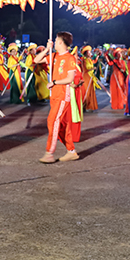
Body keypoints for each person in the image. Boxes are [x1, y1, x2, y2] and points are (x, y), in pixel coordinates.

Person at [34, 32, 79, 163]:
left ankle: (49, 153)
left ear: (60, 42)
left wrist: (54, 82)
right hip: (54, 95)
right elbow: (36, 61)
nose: (54, 41)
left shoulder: (70, 58)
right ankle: (71, 151)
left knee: (52, 121)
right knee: (61, 125)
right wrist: (47, 49)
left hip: (62, 95)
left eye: (55, 40)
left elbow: (70, 78)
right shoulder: (53, 56)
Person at [81, 46, 100, 112]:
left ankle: (90, 106)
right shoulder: (84, 60)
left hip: (90, 77)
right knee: (87, 91)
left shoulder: (90, 60)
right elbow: (84, 70)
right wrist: (92, 69)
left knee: (91, 91)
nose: (90, 53)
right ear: (86, 54)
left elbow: (94, 61)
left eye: (90, 52)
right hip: (86, 77)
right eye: (89, 52)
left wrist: (97, 56)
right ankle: (85, 106)